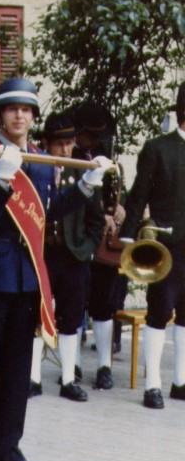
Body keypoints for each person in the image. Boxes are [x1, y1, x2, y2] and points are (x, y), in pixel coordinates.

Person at [0, 77, 110, 461]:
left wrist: (86, 186)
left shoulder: (40, 160)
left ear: (33, 117)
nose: (20, 116)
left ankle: (6, 448)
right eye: (12, 109)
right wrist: (2, 181)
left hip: (27, 277)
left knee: (17, 368)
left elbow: (51, 210)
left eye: (27, 110)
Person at [28, 112, 105, 401]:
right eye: (59, 144)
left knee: (72, 317)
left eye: (70, 143)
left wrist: (86, 249)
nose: (65, 150)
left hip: (74, 257)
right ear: (45, 143)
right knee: (37, 316)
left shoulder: (81, 171)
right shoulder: (36, 169)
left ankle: (69, 378)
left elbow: (96, 220)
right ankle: (32, 378)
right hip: (44, 255)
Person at [120, 83, 185, 409]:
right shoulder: (158, 148)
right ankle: (153, 385)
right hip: (167, 246)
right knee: (159, 313)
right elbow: (138, 195)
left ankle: (180, 382)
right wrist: (129, 237)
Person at [74, 101, 128, 390]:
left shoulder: (108, 159)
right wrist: (101, 213)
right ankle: (73, 366)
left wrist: (121, 209)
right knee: (74, 305)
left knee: (103, 306)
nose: (95, 141)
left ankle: (104, 366)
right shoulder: (70, 156)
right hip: (79, 240)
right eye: (90, 135)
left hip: (103, 246)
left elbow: (122, 193)